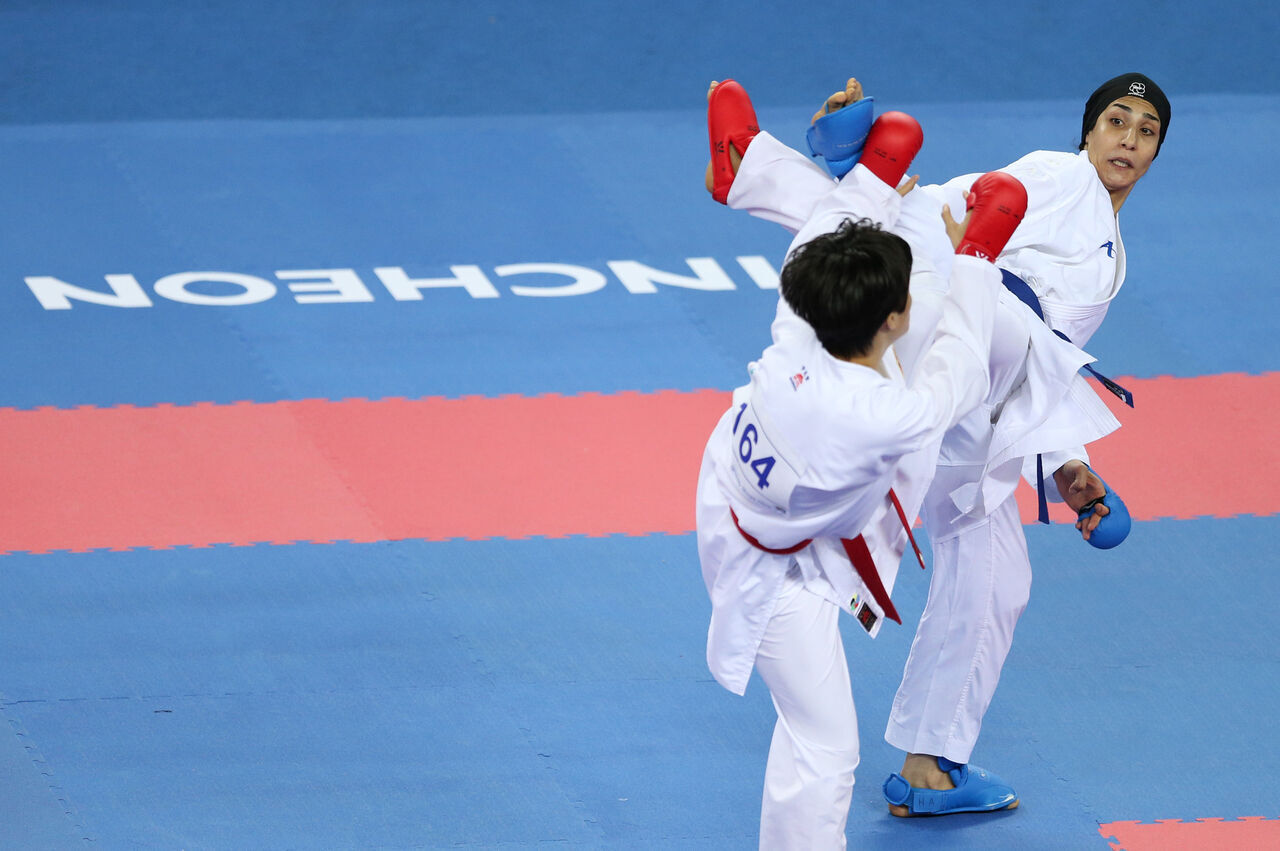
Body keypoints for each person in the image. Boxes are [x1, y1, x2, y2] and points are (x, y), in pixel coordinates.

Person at [712, 73, 1170, 816]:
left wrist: (1067, 468)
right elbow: (962, 204)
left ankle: (930, 766)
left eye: (1146, 131)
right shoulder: (1059, 176)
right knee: (916, 243)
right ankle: (816, 171)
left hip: (990, 381)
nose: (1127, 138)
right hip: (969, 313)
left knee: (993, 574)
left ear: (1156, 154)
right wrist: (911, 206)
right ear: (1087, 131)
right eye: (1116, 121)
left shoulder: (1112, 250)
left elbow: (1037, 375)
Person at [696, 79, 1029, 846]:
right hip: (781, 575)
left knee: (809, 730)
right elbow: (960, 364)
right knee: (827, 745)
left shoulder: (798, 323)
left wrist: (877, 175)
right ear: (891, 316)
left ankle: (753, 172)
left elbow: (827, 236)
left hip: (744, 500)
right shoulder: (887, 413)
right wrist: (977, 254)